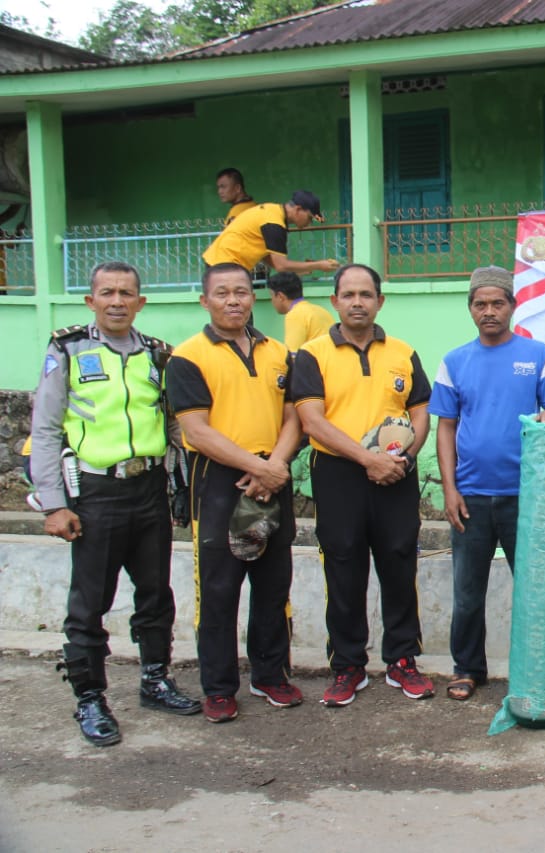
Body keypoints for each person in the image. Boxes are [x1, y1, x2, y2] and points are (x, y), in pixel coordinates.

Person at [29, 261, 199, 747]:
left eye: (127, 293)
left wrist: (178, 490)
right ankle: (90, 698)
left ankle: (155, 679)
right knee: (89, 603)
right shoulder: (67, 348)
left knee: (155, 593)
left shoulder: (156, 356)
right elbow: (44, 429)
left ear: (140, 302)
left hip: (147, 491)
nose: (117, 301)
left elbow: (171, 427)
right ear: (91, 301)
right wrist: (52, 505)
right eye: (107, 293)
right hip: (94, 493)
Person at [166, 262, 303, 723]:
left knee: (273, 585)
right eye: (222, 293)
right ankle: (219, 687)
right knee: (219, 590)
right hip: (220, 483)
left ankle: (270, 676)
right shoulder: (188, 357)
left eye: (242, 292)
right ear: (204, 300)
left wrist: (275, 467)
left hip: (272, 478)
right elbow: (197, 431)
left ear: (254, 297)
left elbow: (293, 419)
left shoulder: (279, 353)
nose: (233, 301)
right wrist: (256, 467)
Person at [292, 263, 432, 707]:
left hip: (395, 474)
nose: (357, 302)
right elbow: (311, 419)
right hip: (338, 475)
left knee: (399, 562)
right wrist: (366, 458)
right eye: (348, 294)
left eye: (366, 294)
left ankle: (402, 660)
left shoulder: (403, 352)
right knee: (343, 565)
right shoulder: (312, 355)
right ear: (334, 301)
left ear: (379, 301)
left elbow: (420, 412)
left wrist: (403, 459)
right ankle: (348, 665)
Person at [431, 266, 545, 701]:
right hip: (470, 497)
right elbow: (446, 428)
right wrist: (450, 490)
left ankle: (540, 674)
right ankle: (467, 668)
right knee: (468, 593)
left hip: (526, 498)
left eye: (497, 303)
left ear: (512, 306)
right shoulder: (455, 361)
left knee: (535, 592)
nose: (489, 311)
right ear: (470, 308)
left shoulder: (538, 356)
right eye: (480, 304)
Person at [202, 190, 341, 277]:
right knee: (237, 316)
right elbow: (281, 265)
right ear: (298, 209)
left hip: (219, 263)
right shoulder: (274, 224)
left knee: (237, 317)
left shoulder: (272, 211)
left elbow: (271, 261)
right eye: (310, 217)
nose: (309, 223)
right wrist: (318, 265)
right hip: (225, 266)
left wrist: (305, 269)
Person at [267, 270, 334, 352]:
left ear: (280, 296)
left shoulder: (295, 315)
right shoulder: (321, 310)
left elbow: (292, 356)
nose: (272, 301)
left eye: (271, 296)